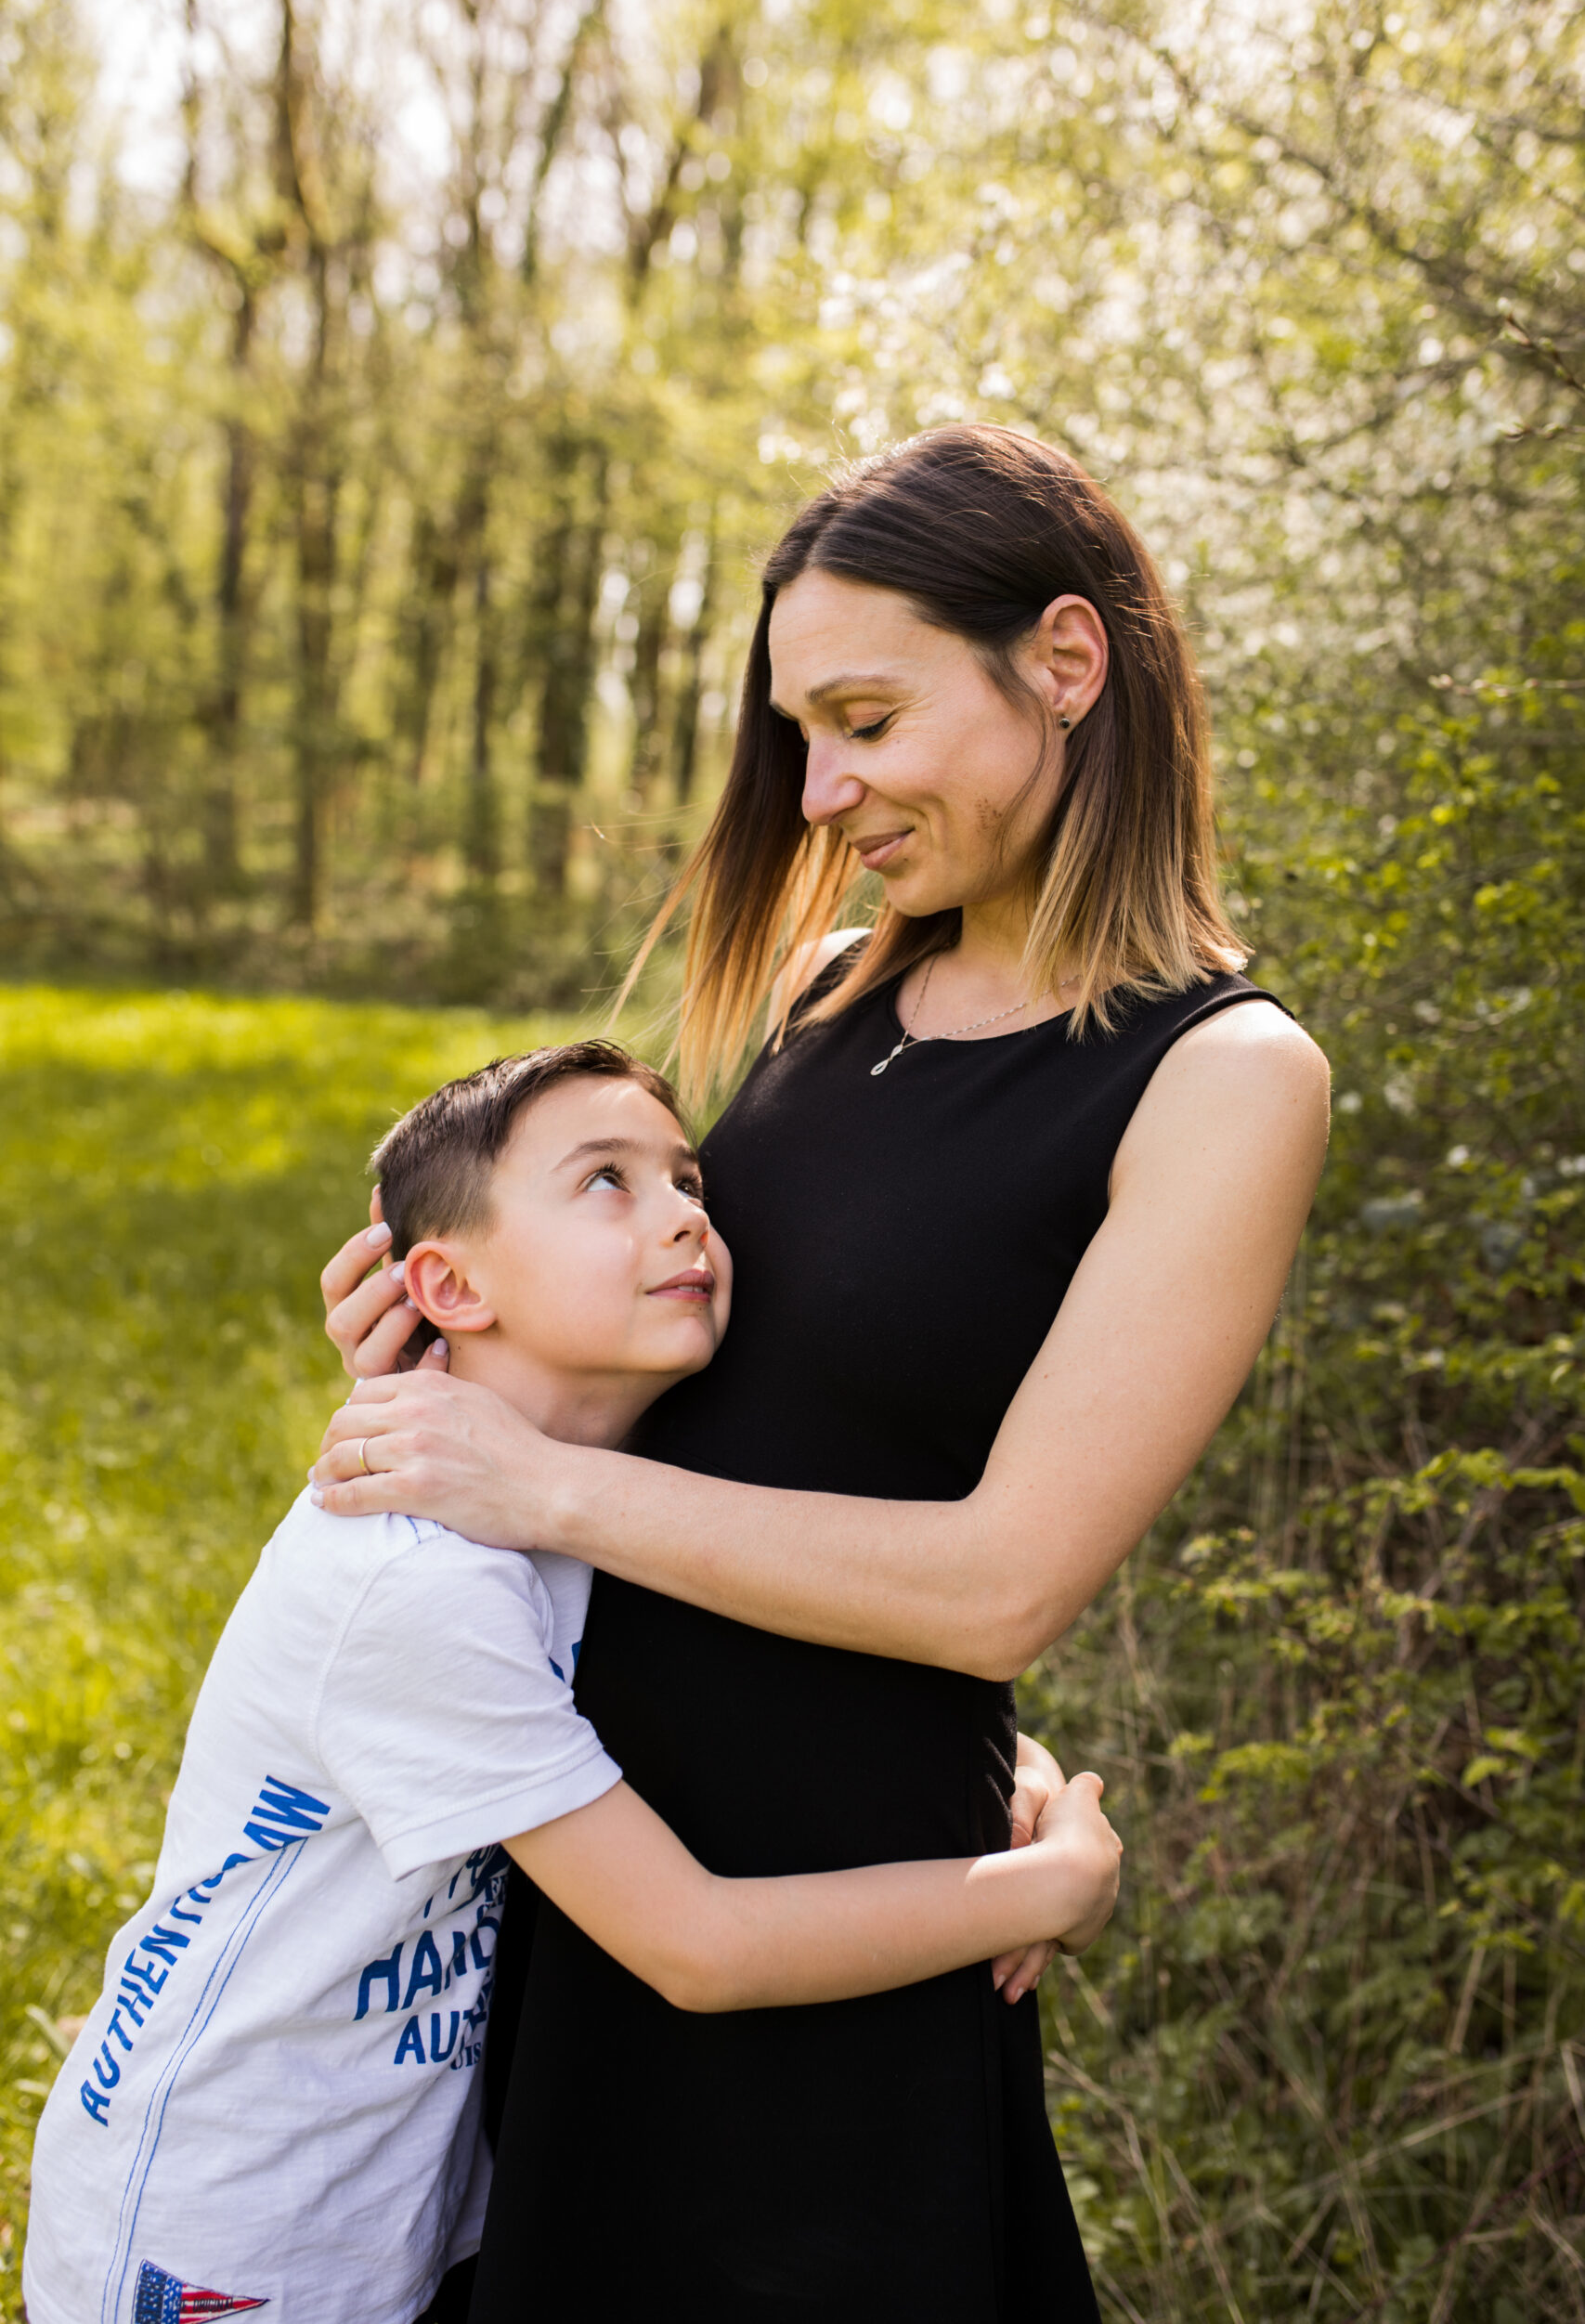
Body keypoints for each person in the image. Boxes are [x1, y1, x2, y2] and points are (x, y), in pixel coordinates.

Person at [311, 425, 1332, 2320]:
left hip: (832, 1917)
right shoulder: (826, 984)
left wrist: (526, 1480)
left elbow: (1001, 1576)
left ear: (1062, 663)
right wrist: (460, 1357)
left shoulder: (1223, 1074)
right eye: (798, 731)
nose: (820, 785)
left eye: (863, 716)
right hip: (581, 1840)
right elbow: (726, 1387)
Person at [23, 1041, 1122, 2324]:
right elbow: (700, 1945)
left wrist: (1005, 1766)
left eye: (690, 1180)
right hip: (226, 2225)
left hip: (388, 2200)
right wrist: (1051, 1887)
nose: (684, 1217)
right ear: (448, 1282)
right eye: (607, 1181)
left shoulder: (587, 1505)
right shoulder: (417, 1586)